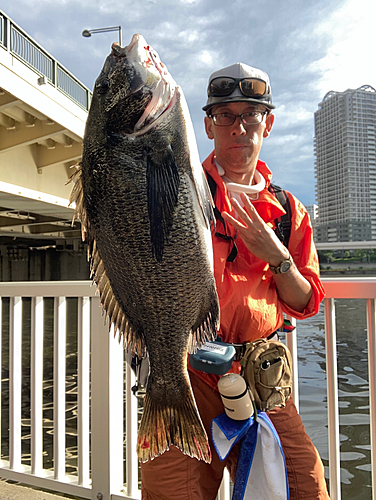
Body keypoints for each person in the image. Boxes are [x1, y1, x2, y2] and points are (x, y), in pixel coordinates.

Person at [141, 63, 330, 500]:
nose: (239, 127)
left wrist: (278, 257)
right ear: (207, 125)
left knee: (305, 485)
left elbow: (306, 304)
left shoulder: (288, 210)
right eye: (226, 115)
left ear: (269, 124)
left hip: (264, 374)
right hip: (188, 372)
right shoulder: (177, 190)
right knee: (174, 491)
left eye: (252, 115)